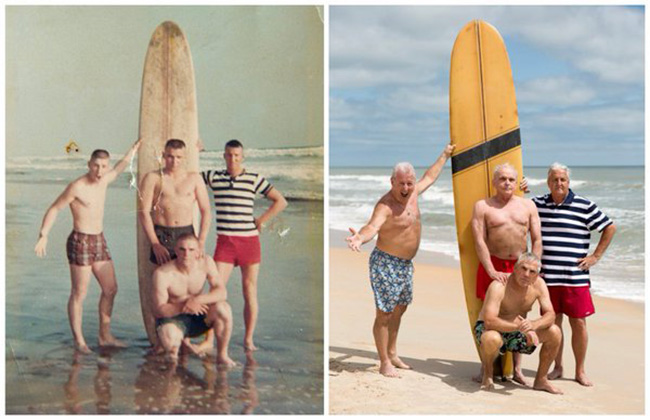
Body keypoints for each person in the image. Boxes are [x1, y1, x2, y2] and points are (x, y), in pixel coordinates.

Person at [346, 143, 454, 378]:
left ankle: (393, 352)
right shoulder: (386, 206)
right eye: (401, 183)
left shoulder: (414, 193)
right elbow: (371, 226)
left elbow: (430, 176)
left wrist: (445, 155)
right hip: (386, 263)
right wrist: (359, 238)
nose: (406, 188)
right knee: (384, 313)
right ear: (392, 182)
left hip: (405, 265)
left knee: (400, 308)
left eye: (409, 183)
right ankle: (384, 361)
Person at [35, 139, 141, 354]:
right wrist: (44, 235)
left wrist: (134, 148)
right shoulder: (77, 186)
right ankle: (80, 341)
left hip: (99, 240)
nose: (99, 170)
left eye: (103, 166)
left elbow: (121, 165)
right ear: (88, 164)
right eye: (95, 165)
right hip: (80, 241)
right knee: (79, 293)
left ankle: (105, 336)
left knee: (111, 289)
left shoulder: (105, 179)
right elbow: (55, 208)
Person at [528, 163, 616, 387]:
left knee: (578, 323)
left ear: (569, 182)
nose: (559, 183)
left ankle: (580, 371)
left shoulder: (584, 205)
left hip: (575, 278)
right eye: (555, 180)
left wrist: (595, 256)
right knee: (553, 325)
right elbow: (518, 208)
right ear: (548, 182)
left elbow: (609, 227)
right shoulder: (537, 204)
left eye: (563, 180)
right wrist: (522, 188)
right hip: (547, 277)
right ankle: (557, 367)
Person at [201, 139, 287, 352]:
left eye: (237, 156)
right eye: (229, 155)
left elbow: (280, 201)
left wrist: (261, 220)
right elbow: (190, 175)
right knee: (215, 289)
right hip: (225, 243)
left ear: (243, 157)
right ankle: (208, 340)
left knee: (250, 291)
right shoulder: (214, 177)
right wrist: (195, 149)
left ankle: (248, 340)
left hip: (249, 242)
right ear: (223, 156)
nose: (233, 159)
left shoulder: (254, 179)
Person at [471, 162, 542, 385]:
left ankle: (517, 369)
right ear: (494, 182)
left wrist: (535, 268)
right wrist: (491, 270)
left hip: (520, 265)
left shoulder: (528, 205)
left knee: (519, 311)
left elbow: (537, 238)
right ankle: (487, 368)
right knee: (488, 314)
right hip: (492, 264)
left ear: (517, 182)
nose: (507, 183)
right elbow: (479, 240)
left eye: (511, 179)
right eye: (502, 178)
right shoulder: (483, 206)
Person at [139, 138, 213, 351]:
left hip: (187, 233)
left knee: (187, 287)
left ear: (184, 157)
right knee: (160, 289)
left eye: (178, 157)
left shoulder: (194, 179)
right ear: (164, 155)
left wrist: (201, 241)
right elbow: (144, 212)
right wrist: (154, 243)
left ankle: (185, 338)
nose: (174, 161)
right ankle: (160, 340)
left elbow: (206, 211)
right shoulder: (153, 177)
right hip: (162, 234)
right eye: (170, 156)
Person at [475, 252, 562, 394]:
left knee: (555, 332)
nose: (526, 274)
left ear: (536, 275)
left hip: (517, 332)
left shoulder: (539, 285)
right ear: (515, 268)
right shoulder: (499, 285)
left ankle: (541, 380)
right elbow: (489, 321)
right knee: (491, 338)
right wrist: (521, 328)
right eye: (523, 268)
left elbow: (551, 314)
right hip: (490, 329)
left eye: (532, 271)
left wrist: (534, 325)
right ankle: (487, 374)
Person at [152, 233, 235, 366]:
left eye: (191, 250)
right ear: (175, 250)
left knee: (223, 308)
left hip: (198, 315)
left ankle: (222, 355)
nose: (186, 254)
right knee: (171, 342)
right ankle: (172, 373)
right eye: (182, 249)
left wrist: (198, 300)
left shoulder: (206, 263)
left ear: (198, 252)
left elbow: (221, 292)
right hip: (174, 318)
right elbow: (158, 310)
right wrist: (184, 305)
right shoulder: (163, 274)